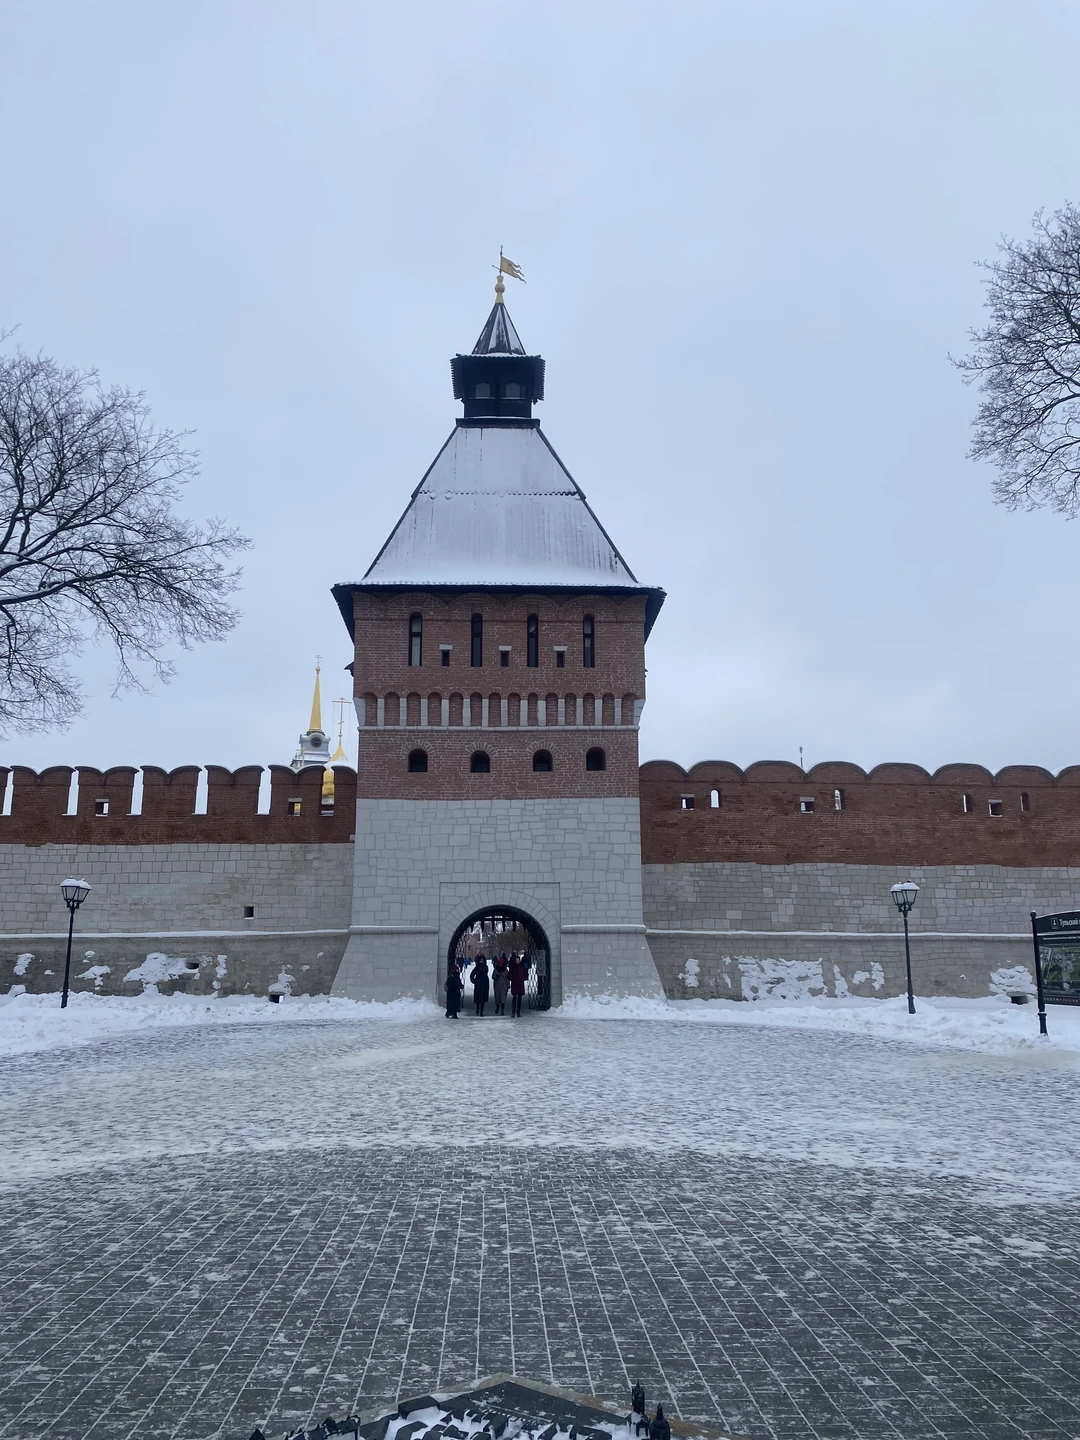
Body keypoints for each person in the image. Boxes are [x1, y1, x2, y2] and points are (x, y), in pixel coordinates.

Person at [509, 951, 527, 1017]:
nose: (517, 961)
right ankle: (513, 1012)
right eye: (516, 960)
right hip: (514, 985)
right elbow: (509, 975)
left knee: (519, 1000)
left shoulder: (522, 967)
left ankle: (518, 1012)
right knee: (514, 999)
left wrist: (522, 978)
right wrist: (512, 979)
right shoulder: (513, 968)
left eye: (518, 960)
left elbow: (526, 975)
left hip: (520, 985)